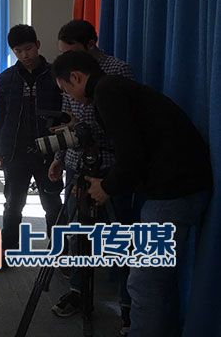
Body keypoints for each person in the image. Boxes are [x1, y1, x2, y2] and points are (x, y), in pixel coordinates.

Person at [51, 51, 212, 337]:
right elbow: (135, 148)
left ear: (75, 77)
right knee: (158, 279)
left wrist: (106, 187)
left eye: (66, 89)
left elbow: (131, 156)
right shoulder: (116, 88)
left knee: (145, 281)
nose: (70, 98)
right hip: (179, 186)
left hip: (172, 192)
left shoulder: (107, 93)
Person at [48, 19, 135, 334]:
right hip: (76, 161)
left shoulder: (117, 71)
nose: (66, 57)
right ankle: (77, 290)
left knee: (119, 235)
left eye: (70, 50)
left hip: (111, 166)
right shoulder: (66, 73)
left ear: (90, 44)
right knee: (76, 231)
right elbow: (68, 119)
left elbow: (125, 124)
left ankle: (128, 307)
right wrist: (59, 157)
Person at [0, 24, 64, 266]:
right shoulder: (7, 78)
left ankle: (59, 252)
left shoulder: (54, 75)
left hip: (48, 152)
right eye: (18, 51)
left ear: (38, 45)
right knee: (13, 204)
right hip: (15, 151)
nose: (25, 55)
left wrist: (62, 153)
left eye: (28, 49)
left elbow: (65, 113)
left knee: (52, 204)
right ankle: (8, 250)